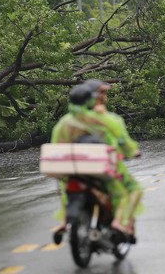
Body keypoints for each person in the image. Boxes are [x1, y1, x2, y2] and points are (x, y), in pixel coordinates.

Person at [49, 84, 128, 238]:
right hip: (97, 167)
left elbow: (56, 146)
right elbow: (114, 141)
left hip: (72, 168)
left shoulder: (64, 122)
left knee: (66, 192)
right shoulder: (99, 119)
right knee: (120, 191)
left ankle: (64, 222)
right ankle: (117, 222)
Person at [83, 79, 143, 236]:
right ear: (99, 96)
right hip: (108, 166)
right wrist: (133, 152)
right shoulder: (113, 119)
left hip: (81, 167)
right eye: (103, 93)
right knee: (133, 189)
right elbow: (124, 142)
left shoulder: (74, 120)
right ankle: (121, 222)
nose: (105, 96)